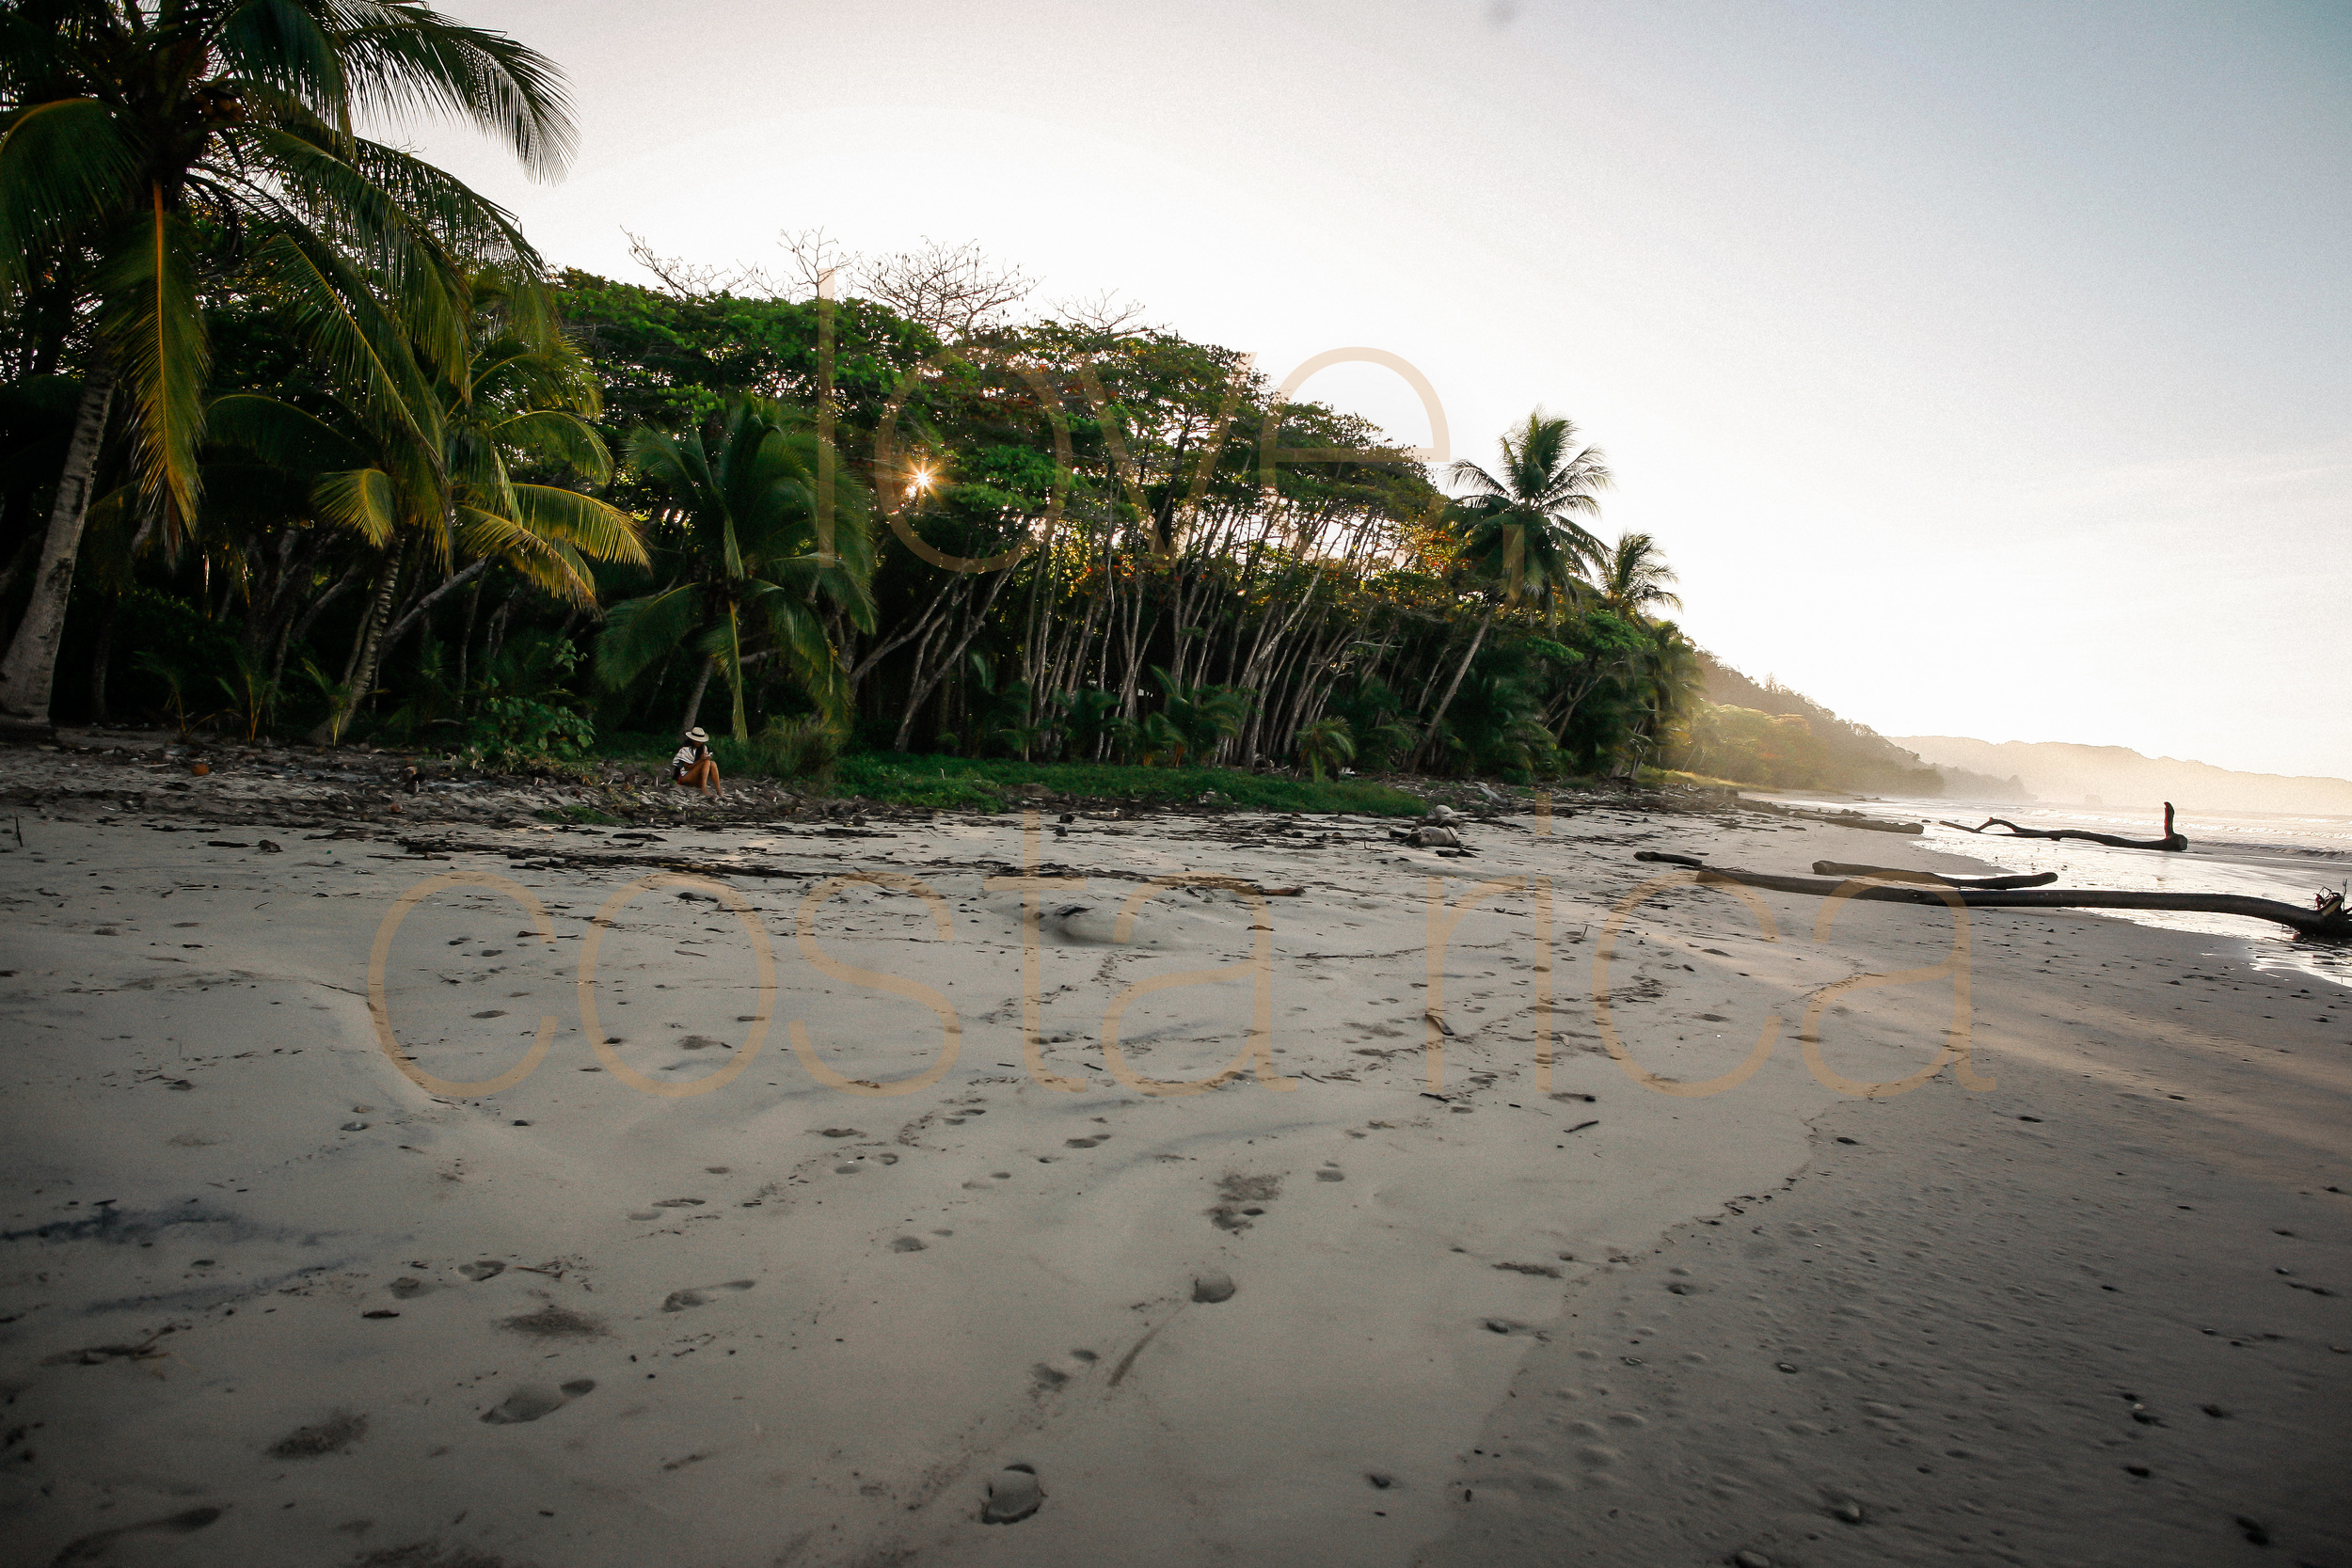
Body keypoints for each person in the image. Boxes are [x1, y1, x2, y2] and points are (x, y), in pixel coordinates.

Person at [671, 726, 723, 797]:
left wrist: (706, 758)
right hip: (685, 777)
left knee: (712, 763)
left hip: (696, 778)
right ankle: (703, 788)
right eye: (698, 740)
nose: (700, 742)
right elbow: (687, 768)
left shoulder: (703, 748)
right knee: (706, 762)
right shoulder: (685, 750)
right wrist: (700, 761)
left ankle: (719, 790)